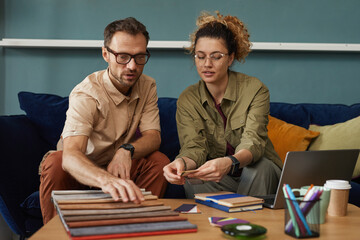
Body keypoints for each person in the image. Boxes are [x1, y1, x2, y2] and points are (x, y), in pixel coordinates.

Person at [39, 17, 170, 224]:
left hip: (118, 168)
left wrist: (126, 150)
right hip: (80, 171)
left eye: (140, 57)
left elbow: (153, 137)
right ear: (105, 54)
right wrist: (106, 181)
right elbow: (71, 155)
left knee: (158, 162)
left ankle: (137, 226)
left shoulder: (147, 86)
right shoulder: (86, 93)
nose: (132, 66)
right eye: (123, 57)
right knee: (55, 162)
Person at [163, 12, 283, 198]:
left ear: (230, 58)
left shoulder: (255, 89)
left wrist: (229, 162)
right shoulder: (188, 99)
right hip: (221, 179)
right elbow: (194, 147)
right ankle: (216, 225)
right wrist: (181, 164)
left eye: (216, 57)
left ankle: (247, 225)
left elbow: (253, 142)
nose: (207, 64)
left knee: (259, 168)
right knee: (193, 178)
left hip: (260, 175)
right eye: (200, 56)